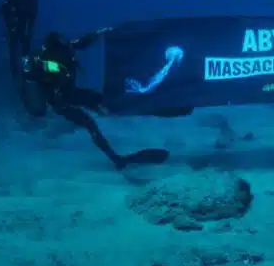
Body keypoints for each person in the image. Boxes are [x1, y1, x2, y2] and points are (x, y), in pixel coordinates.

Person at [22, 28, 170, 169]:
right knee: (90, 124)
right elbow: (50, 70)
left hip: (70, 93)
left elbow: (81, 42)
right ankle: (115, 159)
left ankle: (119, 134)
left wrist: (101, 32)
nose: (68, 50)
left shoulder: (65, 49)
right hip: (61, 102)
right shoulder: (49, 64)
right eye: (64, 49)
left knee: (102, 101)